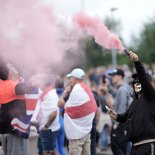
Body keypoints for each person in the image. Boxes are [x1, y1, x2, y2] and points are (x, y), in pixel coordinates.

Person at [108, 51, 155, 155]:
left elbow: (144, 79)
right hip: (135, 146)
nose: (136, 83)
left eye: (139, 81)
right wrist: (117, 117)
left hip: (148, 144)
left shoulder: (150, 96)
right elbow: (126, 116)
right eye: (135, 81)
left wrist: (137, 62)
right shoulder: (135, 101)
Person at [58, 68, 97, 155]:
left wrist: (66, 91)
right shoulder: (86, 88)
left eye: (70, 77)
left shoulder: (76, 90)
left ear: (75, 78)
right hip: (86, 132)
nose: (69, 80)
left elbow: (60, 104)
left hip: (76, 135)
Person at [0, 60, 35, 155]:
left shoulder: (2, 84)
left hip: (7, 130)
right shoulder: (11, 85)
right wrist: (36, 81)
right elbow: (25, 88)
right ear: (10, 73)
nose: (15, 68)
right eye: (12, 67)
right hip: (16, 133)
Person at [31, 74, 60, 155]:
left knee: (47, 152)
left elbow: (54, 113)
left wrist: (46, 126)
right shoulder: (47, 93)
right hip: (48, 129)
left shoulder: (51, 95)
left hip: (49, 129)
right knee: (52, 151)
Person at [107, 68, 133, 155]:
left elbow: (122, 109)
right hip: (125, 123)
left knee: (117, 147)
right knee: (124, 149)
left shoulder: (122, 89)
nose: (112, 78)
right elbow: (117, 96)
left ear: (120, 77)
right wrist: (109, 87)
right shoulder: (123, 88)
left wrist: (116, 124)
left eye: (114, 76)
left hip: (121, 124)